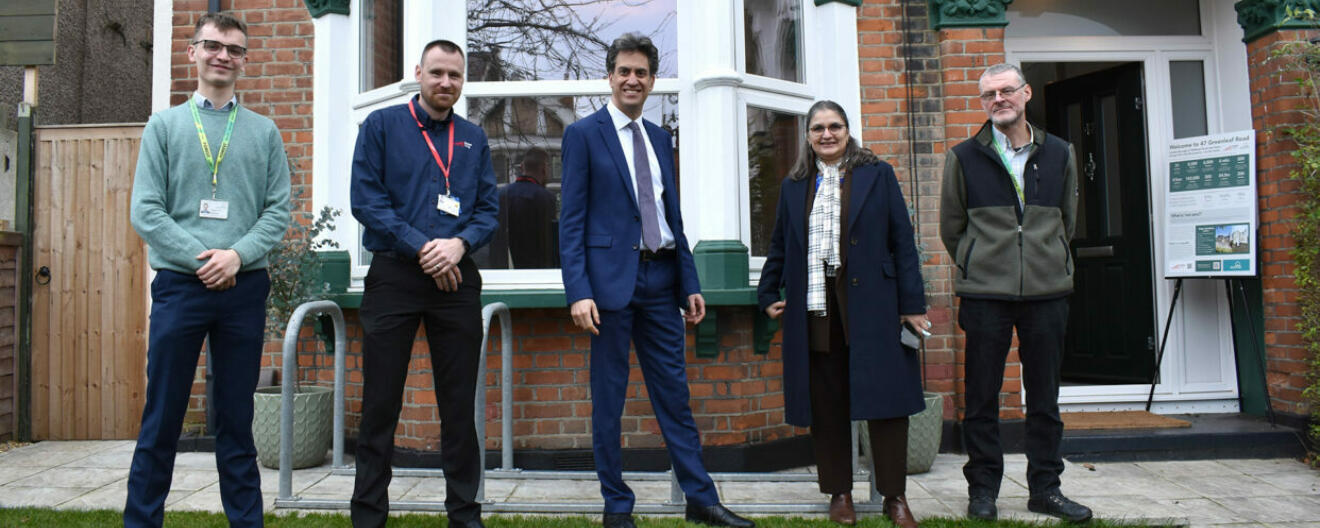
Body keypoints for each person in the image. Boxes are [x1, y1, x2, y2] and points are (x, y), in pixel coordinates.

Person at [558, 33, 754, 528]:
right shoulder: (584, 135)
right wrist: (578, 291)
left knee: (675, 396)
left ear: (651, 81)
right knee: (610, 400)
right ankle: (616, 507)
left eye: (641, 72)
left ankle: (700, 499)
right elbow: (571, 221)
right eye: (624, 71)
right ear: (610, 76)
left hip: (662, 280)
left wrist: (689, 280)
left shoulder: (661, 136)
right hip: (607, 290)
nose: (632, 80)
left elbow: (672, 217)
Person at [126, 12, 291, 528]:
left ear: (244, 61)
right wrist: (205, 260)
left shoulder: (264, 133)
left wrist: (235, 257)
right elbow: (146, 211)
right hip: (181, 285)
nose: (224, 56)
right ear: (192, 52)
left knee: (236, 422)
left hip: (243, 288)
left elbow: (278, 211)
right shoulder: (164, 126)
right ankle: (141, 521)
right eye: (213, 46)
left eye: (235, 49)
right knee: (162, 418)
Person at [757, 100, 929, 528]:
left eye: (835, 126)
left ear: (848, 131)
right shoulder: (795, 184)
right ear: (808, 136)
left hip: (875, 306)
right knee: (827, 401)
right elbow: (779, 245)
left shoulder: (877, 174)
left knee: (887, 403)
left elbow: (902, 242)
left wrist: (912, 306)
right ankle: (840, 493)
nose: (827, 134)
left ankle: (895, 497)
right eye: (818, 128)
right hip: (817, 307)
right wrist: (767, 292)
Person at [349, 39, 498, 528]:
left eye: (454, 76)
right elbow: (367, 201)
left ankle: (465, 514)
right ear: (418, 72)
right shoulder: (381, 127)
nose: (445, 83)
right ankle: (369, 516)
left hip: (456, 281)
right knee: (380, 405)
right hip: (394, 276)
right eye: (437, 73)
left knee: (458, 407)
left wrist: (457, 246)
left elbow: (487, 212)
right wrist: (424, 247)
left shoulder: (474, 137)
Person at [939, 63, 1091, 523]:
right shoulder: (963, 156)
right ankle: (983, 489)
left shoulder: (1061, 153)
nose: (998, 100)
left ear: (1025, 94)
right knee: (981, 396)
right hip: (986, 293)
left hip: (1047, 292)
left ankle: (1046, 488)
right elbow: (952, 227)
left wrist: (1047, 260)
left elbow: (1069, 220)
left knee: (1044, 397)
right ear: (982, 102)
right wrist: (977, 260)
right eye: (988, 94)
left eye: (1006, 91)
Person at [500, 147, 558, 269]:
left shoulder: (502, 195)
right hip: (540, 272)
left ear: (522, 167)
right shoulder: (546, 198)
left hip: (504, 272)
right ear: (544, 169)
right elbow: (549, 243)